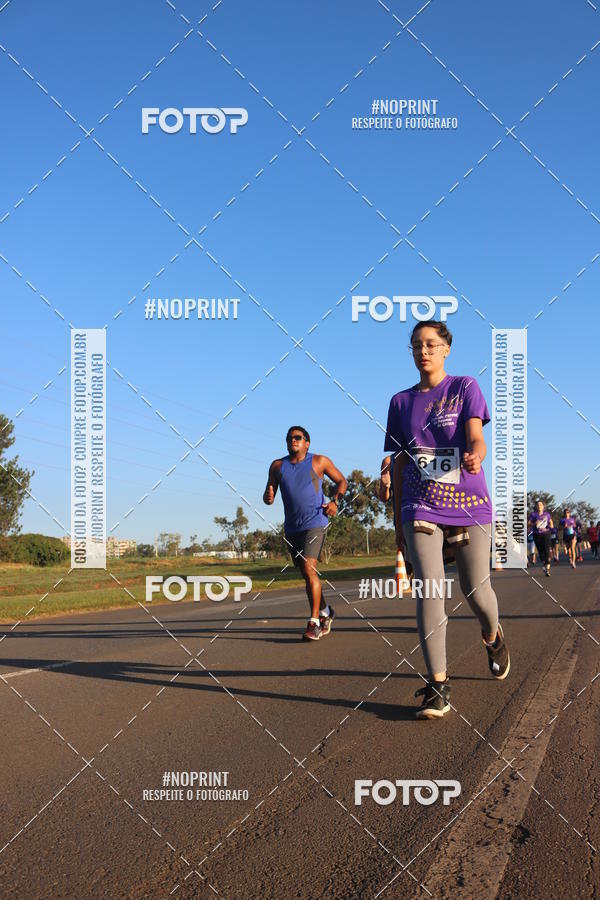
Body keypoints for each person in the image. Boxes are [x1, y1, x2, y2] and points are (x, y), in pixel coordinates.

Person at [382, 321, 509, 720]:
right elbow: (399, 462)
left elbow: (476, 436)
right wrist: (396, 518)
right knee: (429, 589)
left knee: (476, 590)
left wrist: (477, 454)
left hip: (468, 502)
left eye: (431, 344)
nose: (424, 351)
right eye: (417, 345)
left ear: (446, 349)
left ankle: (492, 635)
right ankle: (438, 686)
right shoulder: (400, 402)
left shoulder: (464, 387)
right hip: (419, 504)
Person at [263, 426, 347, 641]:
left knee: (309, 568)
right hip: (293, 528)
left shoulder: (319, 461)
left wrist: (335, 501)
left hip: (316, 522)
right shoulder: (277, 466)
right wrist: (268, 496)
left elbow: (342, 481)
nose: (293, 440)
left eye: (298, 437)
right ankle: (326, 612)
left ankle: (314, 623)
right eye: (289, 438)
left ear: (307, 443)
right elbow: (268, 495)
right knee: (307, 574)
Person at [528, 501, 553, 577]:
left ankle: (547, 569)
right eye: (538, 505)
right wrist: (534, 523)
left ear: (543, 506)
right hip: (537, 534)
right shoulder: (533, 514)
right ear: (536, 506)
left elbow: (551, 522)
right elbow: (528, 523)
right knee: (541, 552)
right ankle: (545, 564)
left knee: (547, 550)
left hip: (546, 534)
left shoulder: (547, 514)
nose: (539, 506)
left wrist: (550, 526)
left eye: (541, 505)